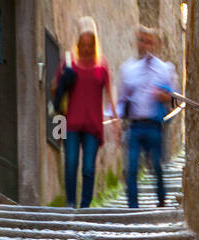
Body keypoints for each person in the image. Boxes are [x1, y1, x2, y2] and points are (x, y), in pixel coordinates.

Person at [53, 17, 117, 209]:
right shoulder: (68, 62)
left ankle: (85, 206)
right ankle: (71, 204)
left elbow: (109, 93)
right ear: (78, 43)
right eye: (83, 44)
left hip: (93, 125)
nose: (87, 48)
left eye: (90, 44)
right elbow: (55, 91)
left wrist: (115, 121)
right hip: (70, 123)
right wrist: (63, 81)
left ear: (95, 44)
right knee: (71, 164)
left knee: (88, 168)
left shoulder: (102, 65)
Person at [117, 27, 176, 208]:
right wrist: (118, 121)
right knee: (132, 166)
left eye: (148, 41)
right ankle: (132, 207)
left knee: (156, 166)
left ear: (155, 44)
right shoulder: (128, 69)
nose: (144, 44)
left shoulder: (163, 68)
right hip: (134, 125)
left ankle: (161, 200)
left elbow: (174, 98)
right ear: (137, 43)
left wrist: (164, 96)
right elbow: (122, 99)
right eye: (142, 40)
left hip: (154, 125)